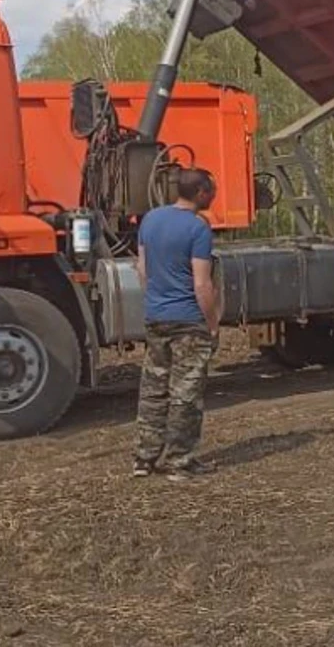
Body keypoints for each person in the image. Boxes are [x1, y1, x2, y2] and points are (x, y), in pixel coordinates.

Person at [132, 167, 221, 481]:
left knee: (154, 390)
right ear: (200, 193)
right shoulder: (198, 229)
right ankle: (178, 460)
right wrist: (212, 324)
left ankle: (144, 458)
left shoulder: (151, 220)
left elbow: (142, 269)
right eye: (212, 189)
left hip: (156, 317)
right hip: (187, 322)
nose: (214, 194)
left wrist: (156, 300)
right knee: (185, 394)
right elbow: (202, 284)